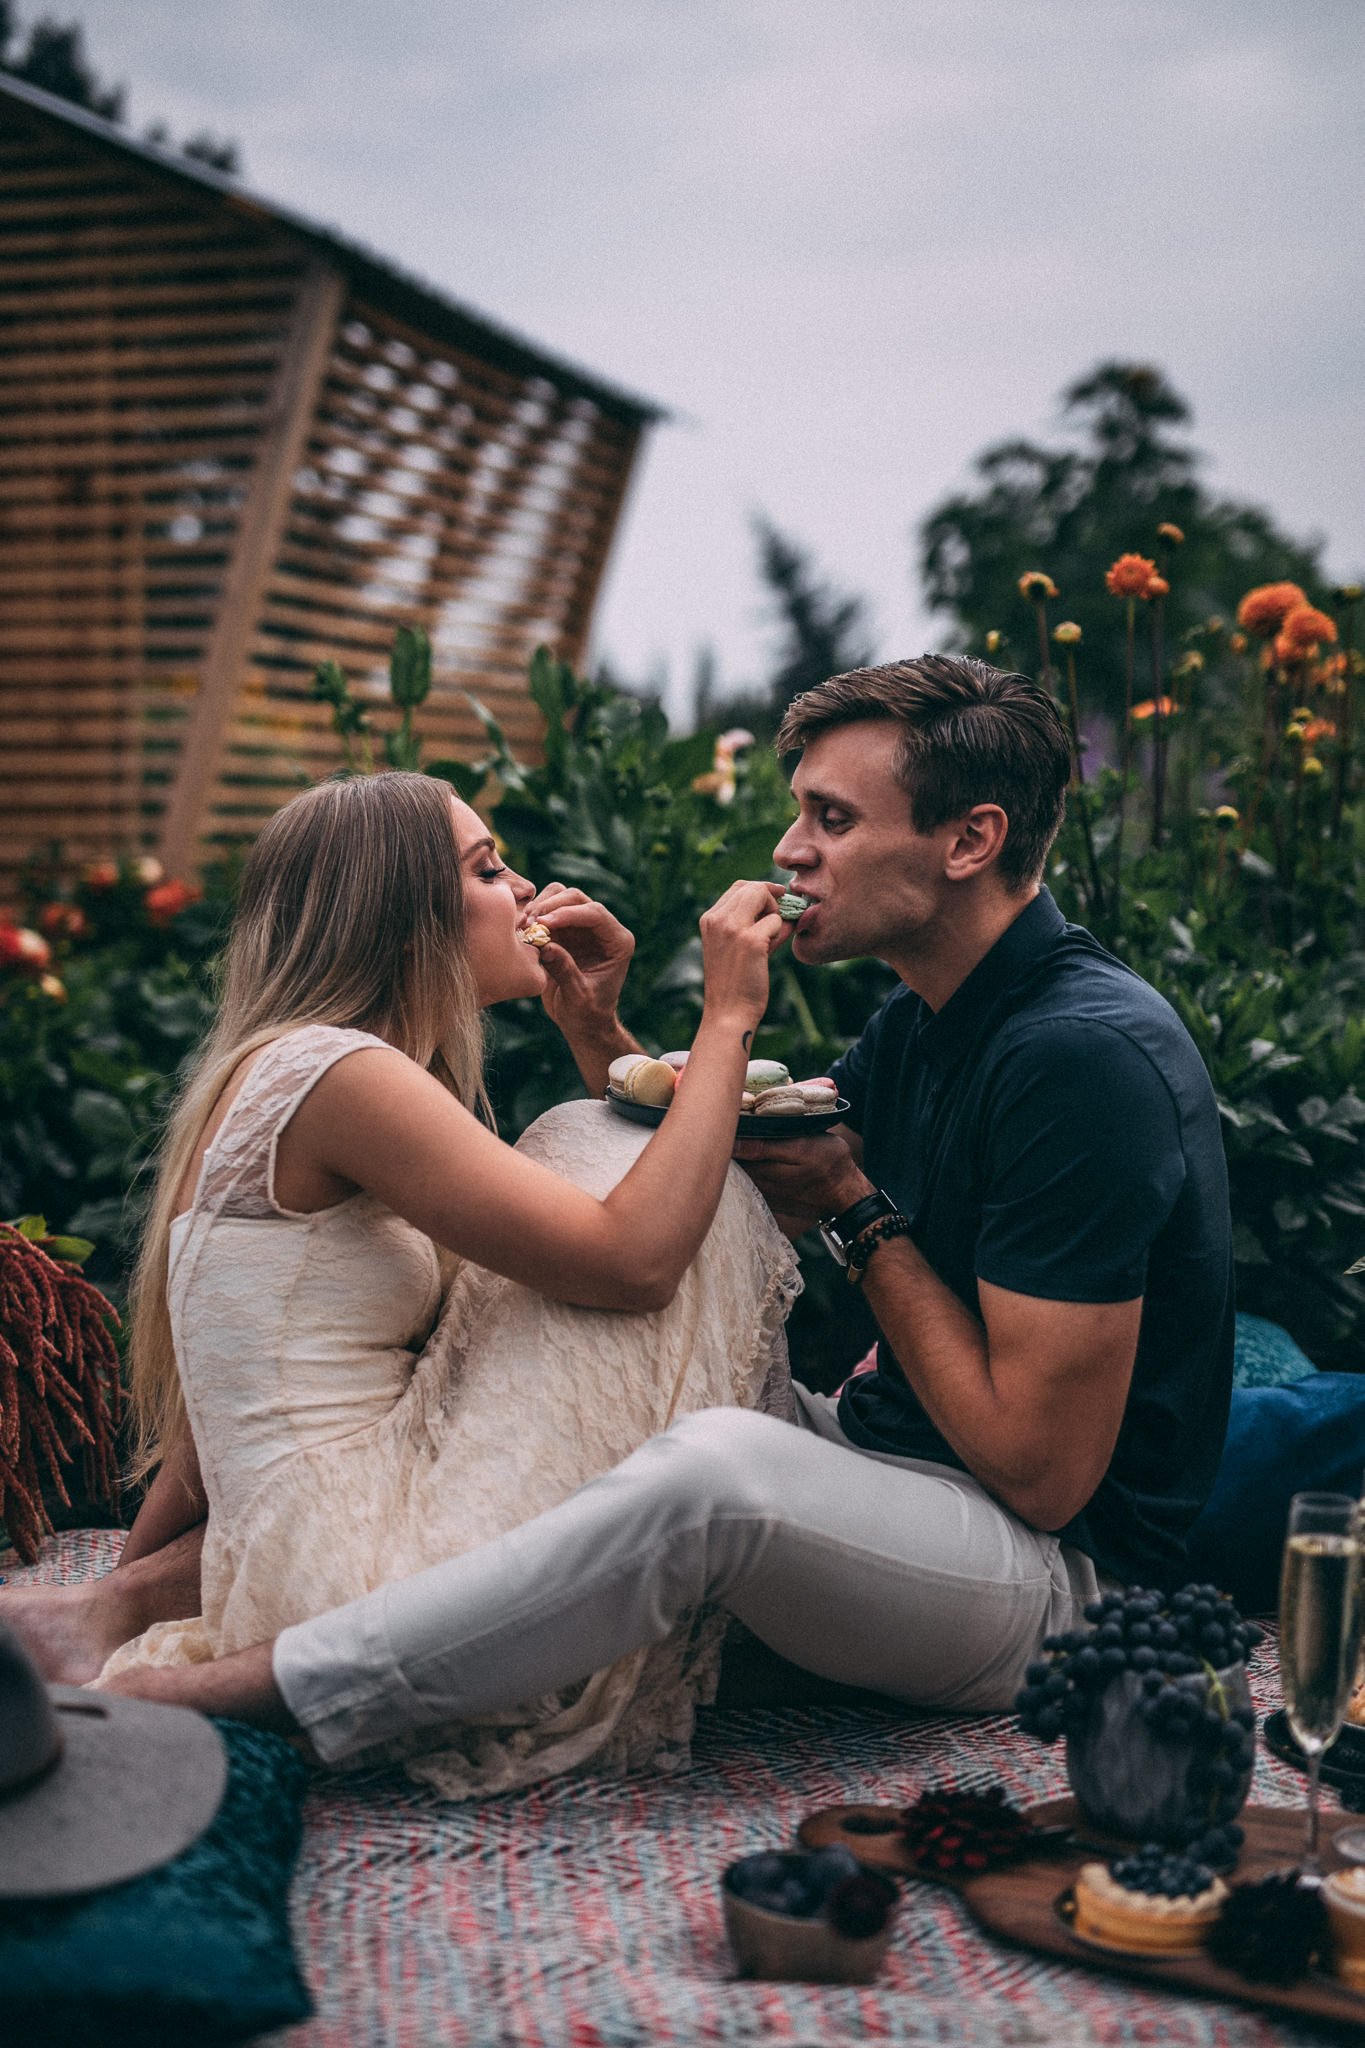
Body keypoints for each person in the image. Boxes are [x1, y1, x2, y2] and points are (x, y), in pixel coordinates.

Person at [63, 658, 1237, 1758]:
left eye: (833, 818)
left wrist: (856, 1208)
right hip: (897, 1455)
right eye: (798, 813)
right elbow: (710, 1189)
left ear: (971, 839)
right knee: (591, 1359)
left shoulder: (1081, 1057)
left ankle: (274, 1687)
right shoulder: (936, 1017)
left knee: (712, 1470)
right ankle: (137, 1609)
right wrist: (597, 1030)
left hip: (1055, 1576)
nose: (790, 850)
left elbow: (1041, 1474)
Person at [2, 771, 801, 1798]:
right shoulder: (339, 1074)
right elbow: (636, 1260)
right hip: (362, 1566)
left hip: (308, 1546)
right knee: (588, 1139)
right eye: (485, 867)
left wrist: (121, 1600)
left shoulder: (295, 1071)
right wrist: (730, 1017)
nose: (523, 889)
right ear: (398, 911)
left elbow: (223, 1400)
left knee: (593, 1136)